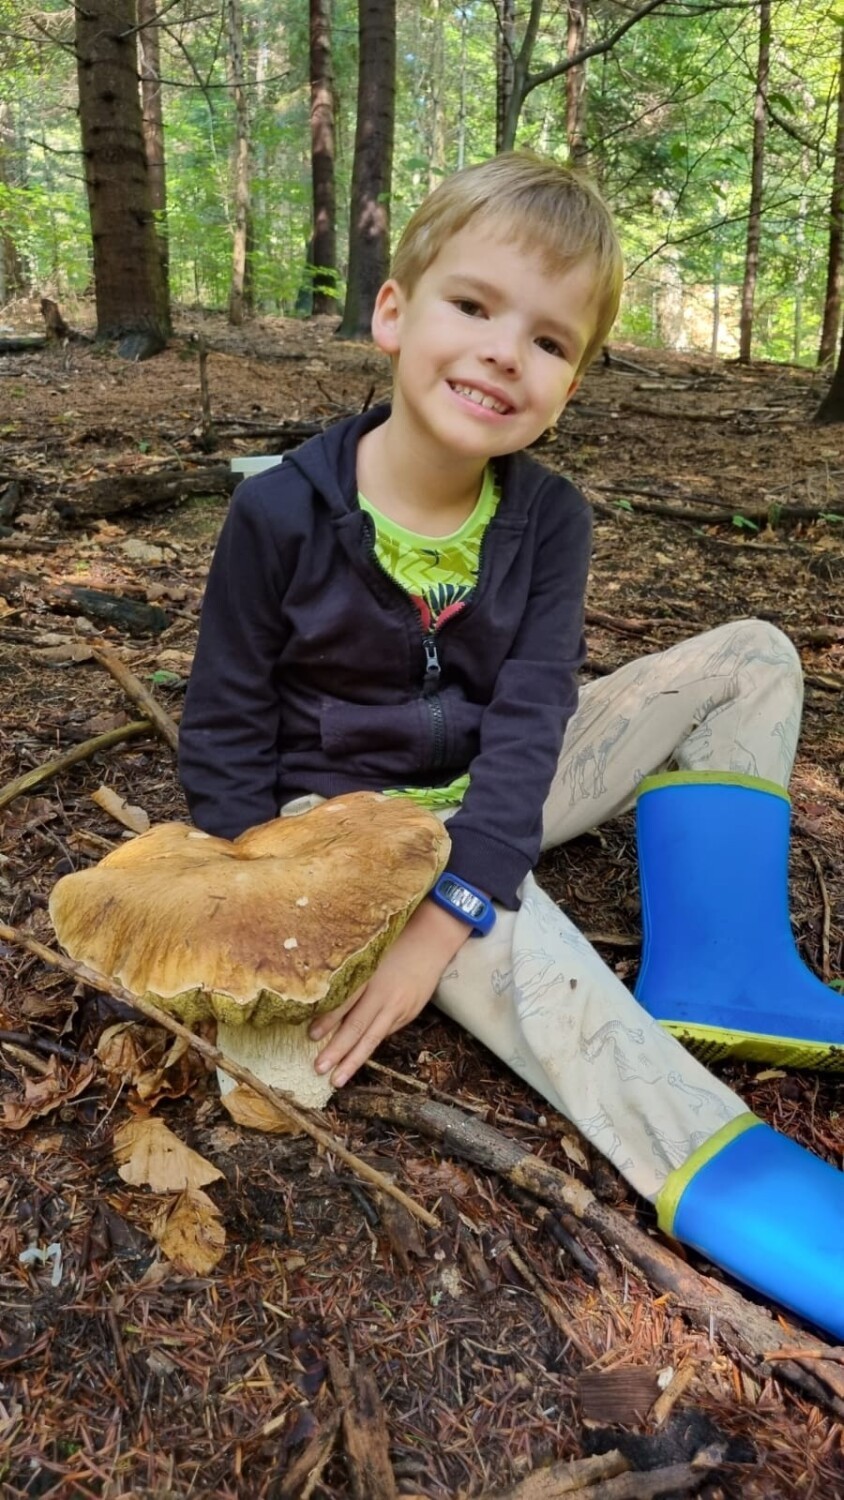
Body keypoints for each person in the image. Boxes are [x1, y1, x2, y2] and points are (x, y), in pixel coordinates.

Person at [179, 152, 844, 1337]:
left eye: (549, 340)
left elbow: (535, 716)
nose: (502, 352)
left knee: (750, 654)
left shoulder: (546, 519)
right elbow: (226, 732)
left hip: (492, 793)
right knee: (553, 984)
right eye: (473, 307)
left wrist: (465, 894)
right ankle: (743, 1183)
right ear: (393, 312)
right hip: (349, 840)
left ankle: (721, 967)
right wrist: (285, 925)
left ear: (571, 382)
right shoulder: (278, 511)